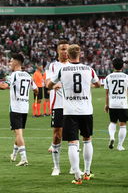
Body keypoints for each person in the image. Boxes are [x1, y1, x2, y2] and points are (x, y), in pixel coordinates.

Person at [48, 44, 100, 184]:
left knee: (72, 142)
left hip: (69, 111)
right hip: (86, 110)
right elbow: (98, 84)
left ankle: (77, 176)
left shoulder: (62, 70)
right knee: (87, 139)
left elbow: (48, 85)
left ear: (68, 55)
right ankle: (87, 172)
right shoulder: (89, 69)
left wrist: (57, 86)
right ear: (79, 54)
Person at [0, 53, 38, 166]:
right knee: (18, 132)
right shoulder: (28, 75)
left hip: (16, 108)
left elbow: (3, 86)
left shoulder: (13, 75)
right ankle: (14, 154)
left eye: (11, 61)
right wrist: (32, 98)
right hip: (25, 108)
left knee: (18, 133)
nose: (9, 63)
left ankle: (24, 158)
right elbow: (36, 90)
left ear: (16, 62)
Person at [45, 40, 70, 176]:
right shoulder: (53, 66)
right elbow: (47, 81)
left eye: (66, 49)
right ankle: (56, 167)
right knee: (57, 135)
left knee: (73, 136)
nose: (65, 52)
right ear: (58, 51)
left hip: (73, 104)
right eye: (62, 49)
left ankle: (74, 166)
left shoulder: (74, 65)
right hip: (58, 104)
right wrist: (52, 85)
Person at [104, 58, 128, 151]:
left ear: (113, 66)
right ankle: (120, 145)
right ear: (123, 66)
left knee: (113, 122)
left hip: (113, 103)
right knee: (123, 125)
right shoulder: (127, 78)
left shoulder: (108, 77)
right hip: (123, 104)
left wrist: (106, 105)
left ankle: (112, 137)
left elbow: (107, 94)